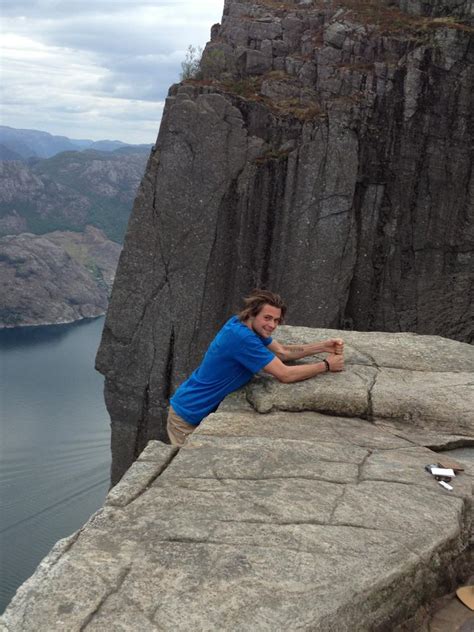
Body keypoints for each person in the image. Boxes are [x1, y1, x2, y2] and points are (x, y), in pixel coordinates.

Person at [167, 289, 344, 446]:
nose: (272, 325)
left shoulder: (243, 325)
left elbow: (282, 352)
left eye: (276, 320)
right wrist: (326, 365)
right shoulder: (242, 338)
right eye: (267, 318)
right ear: (251, 314)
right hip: (188, 415)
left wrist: (322, 346)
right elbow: (284, 374)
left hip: (199, 409)